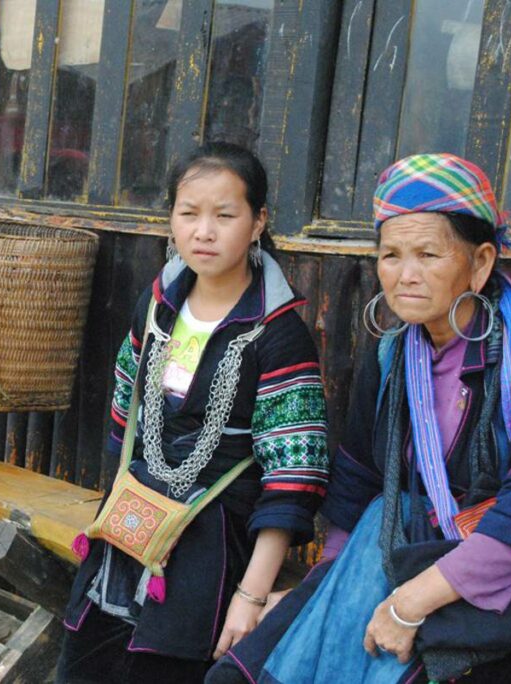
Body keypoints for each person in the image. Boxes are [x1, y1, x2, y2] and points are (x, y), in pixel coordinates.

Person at [206, 153, 511, 684]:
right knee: (240, 673)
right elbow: (359, 477)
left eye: (428, 254)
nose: (404, 276)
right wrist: (330, 587)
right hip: (394, 554)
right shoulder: (392, 356)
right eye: (390, 255)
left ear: (479, 263)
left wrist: (407, 604)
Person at [56, 142, 330, 683]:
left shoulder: (277, 334)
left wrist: (251, 595)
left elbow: (293, 478)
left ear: (258, 223)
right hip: (129, 524)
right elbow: (125, 412)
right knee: (82, 667)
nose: (204, 231)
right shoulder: (158, 304)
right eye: (189, 213)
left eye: (225, 215)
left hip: (210, 548)